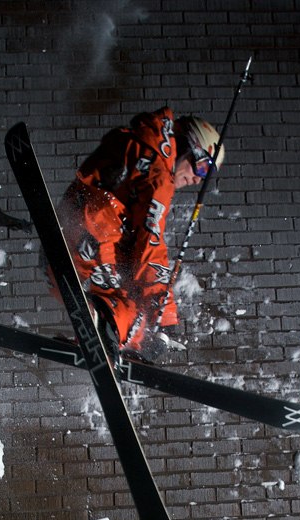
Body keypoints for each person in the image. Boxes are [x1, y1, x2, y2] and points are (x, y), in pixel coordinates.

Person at [53, 107, 225, 365]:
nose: (198, 180)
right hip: (92, 237)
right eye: (202, 168)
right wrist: (166, 320)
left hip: (74, 238)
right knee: (126, 311)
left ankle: (106, 337)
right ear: (190, 148)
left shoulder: (139, 144)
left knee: (131, 305)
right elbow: (150, 244)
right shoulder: (159, 176)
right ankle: (102, 337)